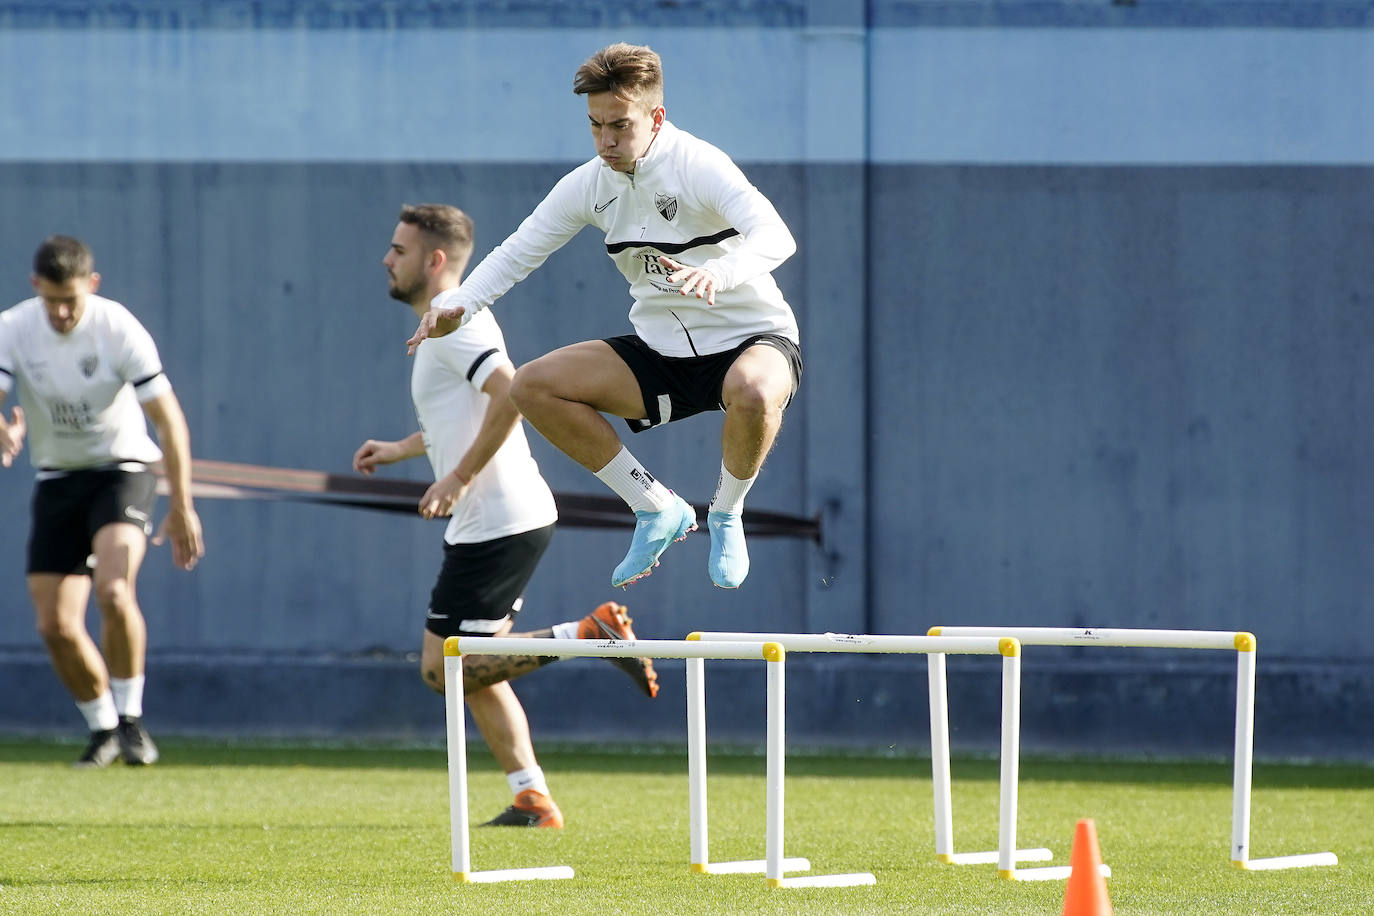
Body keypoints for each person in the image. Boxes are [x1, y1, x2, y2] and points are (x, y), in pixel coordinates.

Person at [406, 42, 802, 591]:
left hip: (751, 339)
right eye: (595, 127)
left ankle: (728, 514)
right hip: (665, 351)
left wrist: (722, 272)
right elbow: (519, 252)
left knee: (755, 391)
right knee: (533, 385)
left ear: (656, 117)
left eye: (619, 126)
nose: (606, 142)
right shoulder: (589, 184)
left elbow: (776, 236)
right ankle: (657, 508)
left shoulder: (700, 166)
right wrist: (458, 304)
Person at [357, 203, 659, 828]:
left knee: (445, 669)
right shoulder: (446, 324)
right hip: (500, 518)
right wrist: (401, 449)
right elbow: (461, 414)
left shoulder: (456, 324)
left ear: (435, 260)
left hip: (498, 518)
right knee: (470, 667)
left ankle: (587, 636)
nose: (387, 259)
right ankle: (531, 796)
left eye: (399, 249)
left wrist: (459, 476)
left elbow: (509, 392)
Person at [0, 235, 205, 768]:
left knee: (114, 590)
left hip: (123, 470)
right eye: (52, 301)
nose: (62, 312)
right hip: (57, 477)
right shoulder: (14, 328)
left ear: (92, 284)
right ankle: (103, 729)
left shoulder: (117, 328)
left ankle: (132, 722)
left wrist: (181, 504)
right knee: (55, 626)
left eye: (72, 299)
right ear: (34, 288)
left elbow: (169, 422)